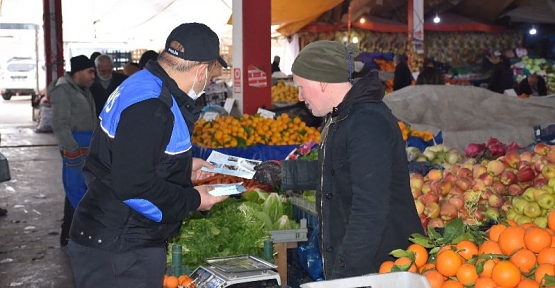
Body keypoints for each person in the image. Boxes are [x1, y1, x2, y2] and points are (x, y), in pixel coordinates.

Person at [64, 23, 228, 287]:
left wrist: (182, 169)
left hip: (118, 237)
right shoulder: (152, 107)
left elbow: (130, 158)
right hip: (118, 247)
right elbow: (133, 184)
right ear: (200, 71)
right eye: (210, 73)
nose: (207, 81)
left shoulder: (143, 84)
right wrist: (194, 199)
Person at [253, 40, 423, 280]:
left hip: (382, 268)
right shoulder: (342, 116)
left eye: (301, 87)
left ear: (322, 81)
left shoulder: (367, 123)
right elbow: (338, 170)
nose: (300, 97)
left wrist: (345, 273)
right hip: (365, 265)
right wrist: (287, 174)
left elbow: (369, 210)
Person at [49, 55, 97, 247]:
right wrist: (71, 148)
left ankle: (75, 236)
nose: (93, 76)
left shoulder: (83, 90)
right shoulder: (63, 91)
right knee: (75, 191)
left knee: (85, 192)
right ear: (78, 72)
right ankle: (73, 237)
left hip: (87, 147)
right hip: (75, 148)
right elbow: (59, 124)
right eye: (90, 72)